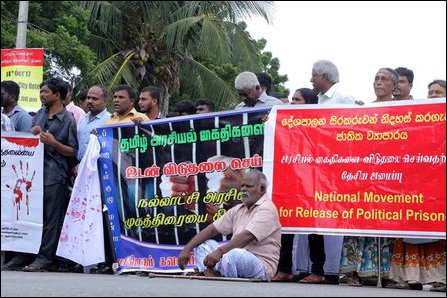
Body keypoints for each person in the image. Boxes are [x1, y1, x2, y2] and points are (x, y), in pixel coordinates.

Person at [4, 77, 78, 272]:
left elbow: (73, 151)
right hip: (34, 175)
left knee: (50, 220)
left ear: (57, 95)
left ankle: (45, 258)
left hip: (55, 176)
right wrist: (33, 131)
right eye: (41, 91)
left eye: (45, 92)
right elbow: (31, 139)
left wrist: (54, 143)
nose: (41, 95)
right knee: (30, 215)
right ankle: (24, 254)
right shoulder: (40, 114)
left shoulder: (68, 119)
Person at [177, 169, 281, 281]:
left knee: (232, 254)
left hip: (261, 265)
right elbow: (211, 230)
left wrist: (220, 252)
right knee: (204, 245)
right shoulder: (238, 209)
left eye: (249, 186)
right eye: (242, 186)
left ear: (261, 189)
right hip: (236, 256)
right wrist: (187, 249)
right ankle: (207, 273)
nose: (244, 189)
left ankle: (219, 276)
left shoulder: (267, 209)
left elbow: (247, 236)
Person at [272, 88, 318, 283]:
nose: (292, 103)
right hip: (289, 182)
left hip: (311, 183)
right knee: (286, 225)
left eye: (296, 100)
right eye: (291, 99)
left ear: (308, 103)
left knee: (315, 228)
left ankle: (318, 270)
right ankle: (284, 269)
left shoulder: (319, 125)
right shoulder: (285, 124)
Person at [77, 85, 111, 162]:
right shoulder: (84, 118)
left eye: (94, 99)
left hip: (98, 169)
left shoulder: (110, 120)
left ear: (105, 102)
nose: (89, 101)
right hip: (80, 167)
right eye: (88, 98)